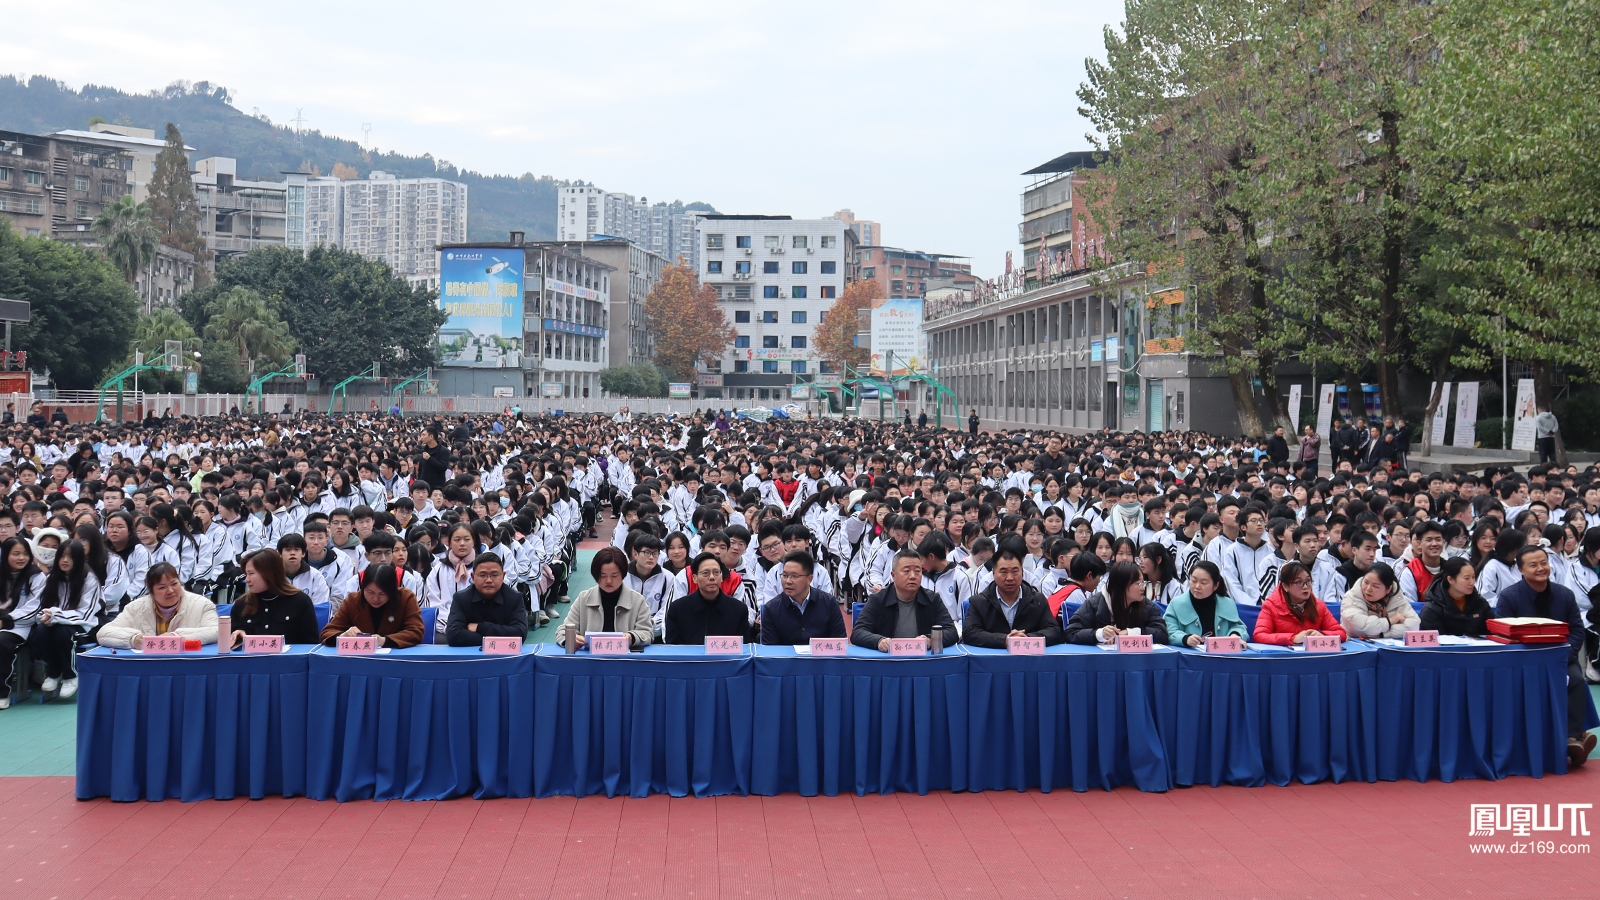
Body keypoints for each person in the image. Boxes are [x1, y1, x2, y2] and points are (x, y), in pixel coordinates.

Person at [1495, 545, 1595, 766]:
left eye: (1544, 563)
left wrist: (1563, 655)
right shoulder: (1509, 597)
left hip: (1561, 658)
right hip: (1522, 663)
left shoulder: (1564, 595)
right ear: (1520, 569)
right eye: (1533, 565)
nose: (1541, 568)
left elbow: (1577, 630)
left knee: (1577, 680)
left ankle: (1572, 737)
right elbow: (1502, 634)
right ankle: (1570, 739)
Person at [28, 540, 101, 698]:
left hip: (84, 627)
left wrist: (56, 616)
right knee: (38, 634)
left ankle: (70, 675)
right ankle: (54, 671)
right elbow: (41, 607)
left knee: (62, 633)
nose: (65, 560)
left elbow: (86, 613)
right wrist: (46, 617)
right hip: (55, 623)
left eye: (71, 556)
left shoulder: (89, 579)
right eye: (62, 555)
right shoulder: (52, 578)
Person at [851, 549, 958, 652]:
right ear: (893, 575)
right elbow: (858, 632)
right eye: (906, 571)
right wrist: (879, 641)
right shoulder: (878, 599)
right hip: (889, 661)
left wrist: (930, 640)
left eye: (917, 571)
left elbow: (951, 632)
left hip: (922, 661)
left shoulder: (932, 599)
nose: (912, 576)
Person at [97, 562, 219, 650]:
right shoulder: (134, 608)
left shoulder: (202, 604)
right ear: (151, 591)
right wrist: (133, 639)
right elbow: (103, 633)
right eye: (162, 587)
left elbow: (216, 631)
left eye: (174, 584)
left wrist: (175, 637)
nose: (170, 590)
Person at [961, 545, 1064, 648]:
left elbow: (1053, 631)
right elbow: (970, 633)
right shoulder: (979, 602)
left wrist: (1025, 639)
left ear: (1022, 572)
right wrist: (1005, 640)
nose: (1010, 578)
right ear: (993, 574)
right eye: (1003, 572)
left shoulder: (1037, 599)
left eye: (1015, 571)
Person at [556, 547, 653, 649]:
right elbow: (562, 631)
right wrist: (571, 639)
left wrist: (632, 637)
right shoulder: (584, 599)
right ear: (596, 575)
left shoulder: (637, 601)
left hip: (624, 661)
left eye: (614, 576)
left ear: (623, 574)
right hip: (590, 661)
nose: (609, 581)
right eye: (603, 576)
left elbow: (646, 632)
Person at [228, 549, 321, 646]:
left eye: (251, 574)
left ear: (269, 574)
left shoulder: (300, 601)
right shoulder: (241, 605)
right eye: (246, 574)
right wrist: (239, 636)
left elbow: (310, 644)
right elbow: (231, 643)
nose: (247, 580)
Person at [1063, 559, 1168, 645]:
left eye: (1143, 583)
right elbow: (1070, 633)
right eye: (1138, 584)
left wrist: (1132, 633)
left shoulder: (1146, 605)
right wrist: (1099, 634)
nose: (1143, 588)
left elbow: (1162, 634)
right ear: (1122, 586)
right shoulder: (1095, 604)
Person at [320, 564, 425, 649]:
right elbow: (327, 632)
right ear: (363, 588)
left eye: (382, 594)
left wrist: (384, 641)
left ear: (392, 590)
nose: (375, 598)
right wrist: (343, 636)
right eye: (370, 592)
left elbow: (416, 631)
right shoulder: (353, 600)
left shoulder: (405, 598)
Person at [759, 550, 846, 645]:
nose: (788, 581)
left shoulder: (829, 603)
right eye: (785, 575)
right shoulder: (771, 609)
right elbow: (770, 652)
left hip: (821, 658)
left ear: (810, 579)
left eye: (794, 576)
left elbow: (839, 643)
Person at [664, 551, 750, 644]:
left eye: (716, 572)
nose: (712, 577)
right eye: (706, 573)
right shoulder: (678, 609)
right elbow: (673, 647)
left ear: (722, 577)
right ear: (695, 578)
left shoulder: (738, 609)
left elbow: (744, 647)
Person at [1253, 560, 1345, 646]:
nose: (1305, 586)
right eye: (1299, 582)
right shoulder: (1271, 605)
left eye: (1308, 581)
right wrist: (1293, 638)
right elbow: (1259, 635)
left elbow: (1341, 633)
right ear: (1285, 586)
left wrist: (1322, 635)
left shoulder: (1318, 605)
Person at [445, 552, 528, 647]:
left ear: (503, 576)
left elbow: (520, 633)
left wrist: (480, 627)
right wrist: (497, 639)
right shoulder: (461, 598)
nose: (488, 580)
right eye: (483, 575)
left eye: (494, 575)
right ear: (472, 577)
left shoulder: (514, 598)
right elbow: (453, 635)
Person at [0, 537, 45, 709]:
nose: (21, 558)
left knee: (2, 642)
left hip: (20, 626)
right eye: (16, 554)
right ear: (5, 556)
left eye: (26, 554)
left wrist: (7, 620)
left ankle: (2, 692)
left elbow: (35, 607)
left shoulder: (36, 576)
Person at [1163, 560, 1249, 648]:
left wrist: (1234, 635)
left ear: (1215, 585)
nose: (1197, 586)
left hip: (1223, 655)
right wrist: (1186, 638)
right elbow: (1169, 631)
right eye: (1193, 581)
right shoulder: (1176, 603)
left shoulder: (1227, 603)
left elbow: (1238, 626)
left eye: (1203, 583)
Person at [1340, 561, 1419, 639]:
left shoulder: (1397, 597)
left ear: (1389, 589)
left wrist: (1383, 635)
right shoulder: (1352, 596)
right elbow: (1357, 627)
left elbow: (1413, 626)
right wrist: (1390, 621)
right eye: (1366, 582)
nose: (1368, 589)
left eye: (1375, 586)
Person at [1417, 557, 1494, 636]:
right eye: (1467, 578)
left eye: (1473, 577)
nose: (1472, 582)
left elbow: (1493, 632)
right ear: (1450, 579)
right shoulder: (1432, 609)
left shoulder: (1480, 603)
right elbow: (1433, 641)